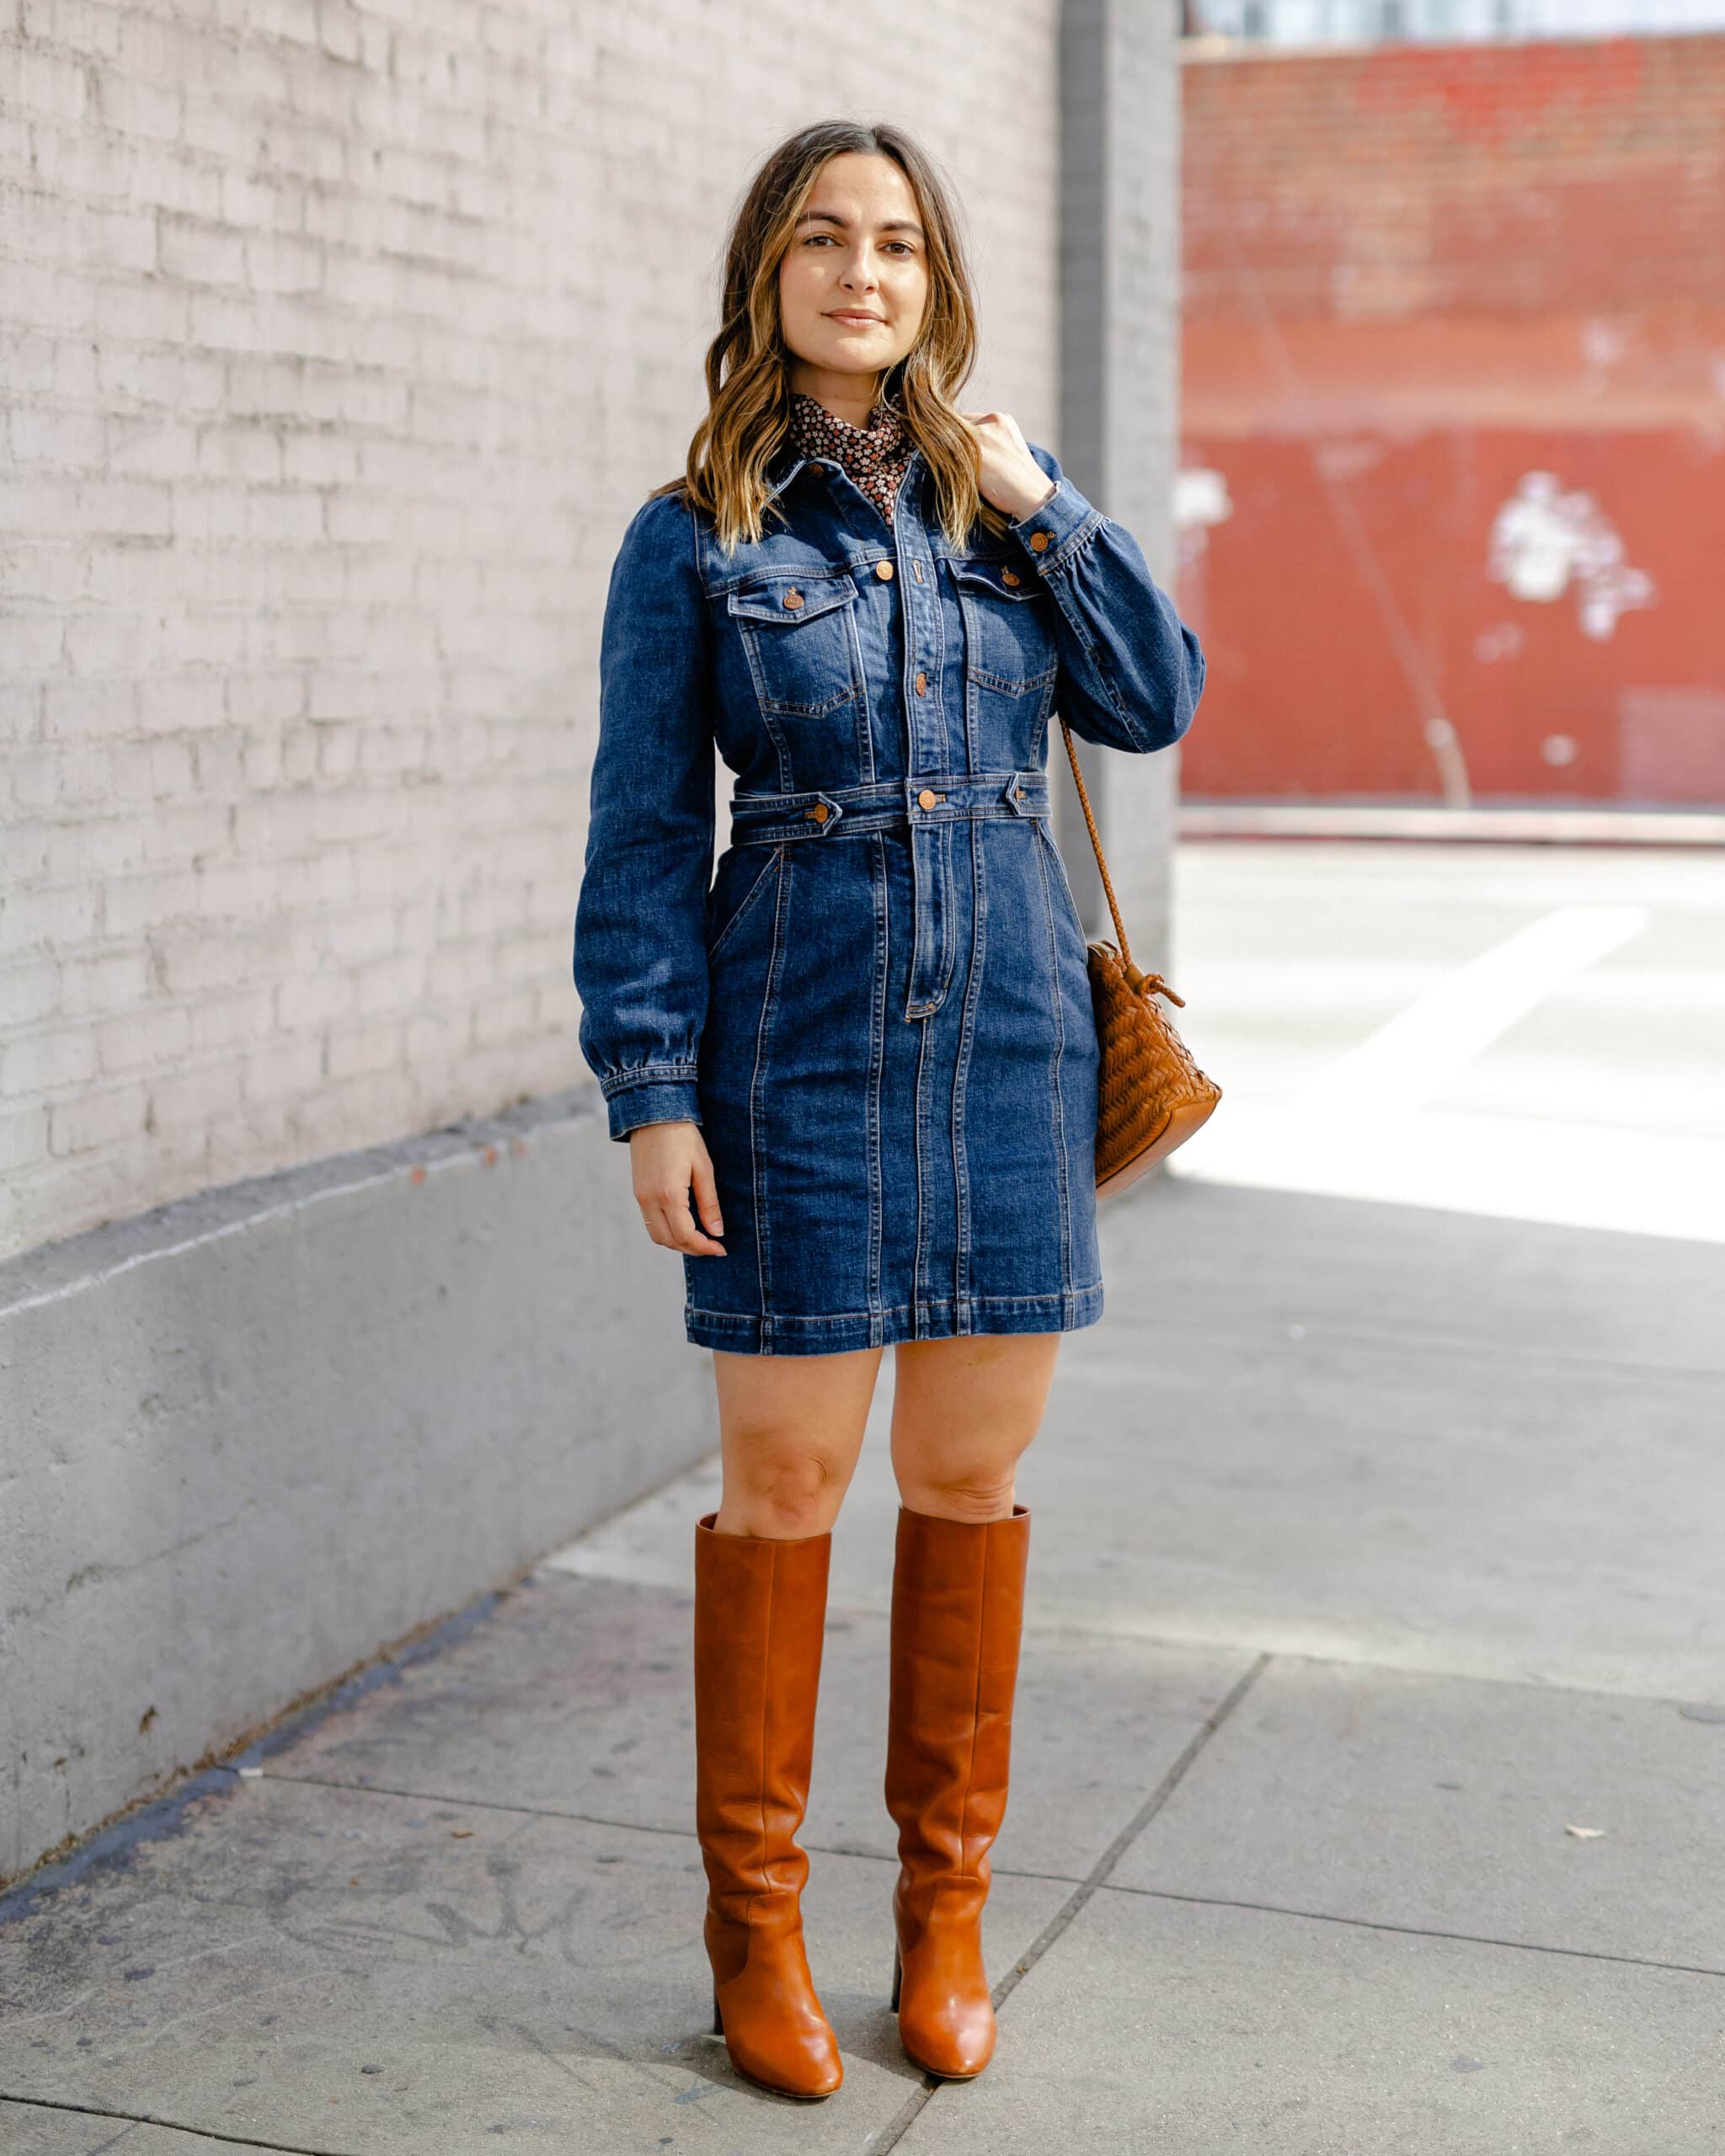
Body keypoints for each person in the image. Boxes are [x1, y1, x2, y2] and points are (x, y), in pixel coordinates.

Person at [572, 120, 1204, 2100]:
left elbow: (1153, 695)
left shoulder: (996, 501)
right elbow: (642, 832)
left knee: (968, 1489)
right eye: (826, 238)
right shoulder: (695, 531)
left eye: (901, 245)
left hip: (1008, 1049)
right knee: (780, 1497)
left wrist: (1043, 496)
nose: (864, 271)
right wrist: (649, 1091)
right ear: (766, 268)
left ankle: (944, 1913)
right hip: (800, 1050)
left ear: (935, 284)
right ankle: (753, 1931)